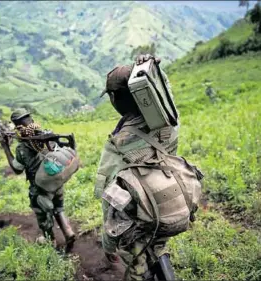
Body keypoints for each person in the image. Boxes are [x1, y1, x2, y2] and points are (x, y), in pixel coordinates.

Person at [95, 58, 180, 281]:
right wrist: (156, 73)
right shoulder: (169, 124)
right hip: (167, 200)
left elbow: (111, 199)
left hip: (138, 216)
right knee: (157, 246)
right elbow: (166, 98)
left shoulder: (120, 143)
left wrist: (108, 241)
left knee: (137, 265)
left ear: (114, 99)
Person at [1, 108, 75, 249]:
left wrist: (6, 147)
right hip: (56, 183)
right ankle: (68, 231)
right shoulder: (48, 137)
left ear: (18, 127)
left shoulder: (22, 148)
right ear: (32, 121)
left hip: (40, 188)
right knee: (59, 208)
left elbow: (17, 169)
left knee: (42, 214)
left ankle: (49, 240)